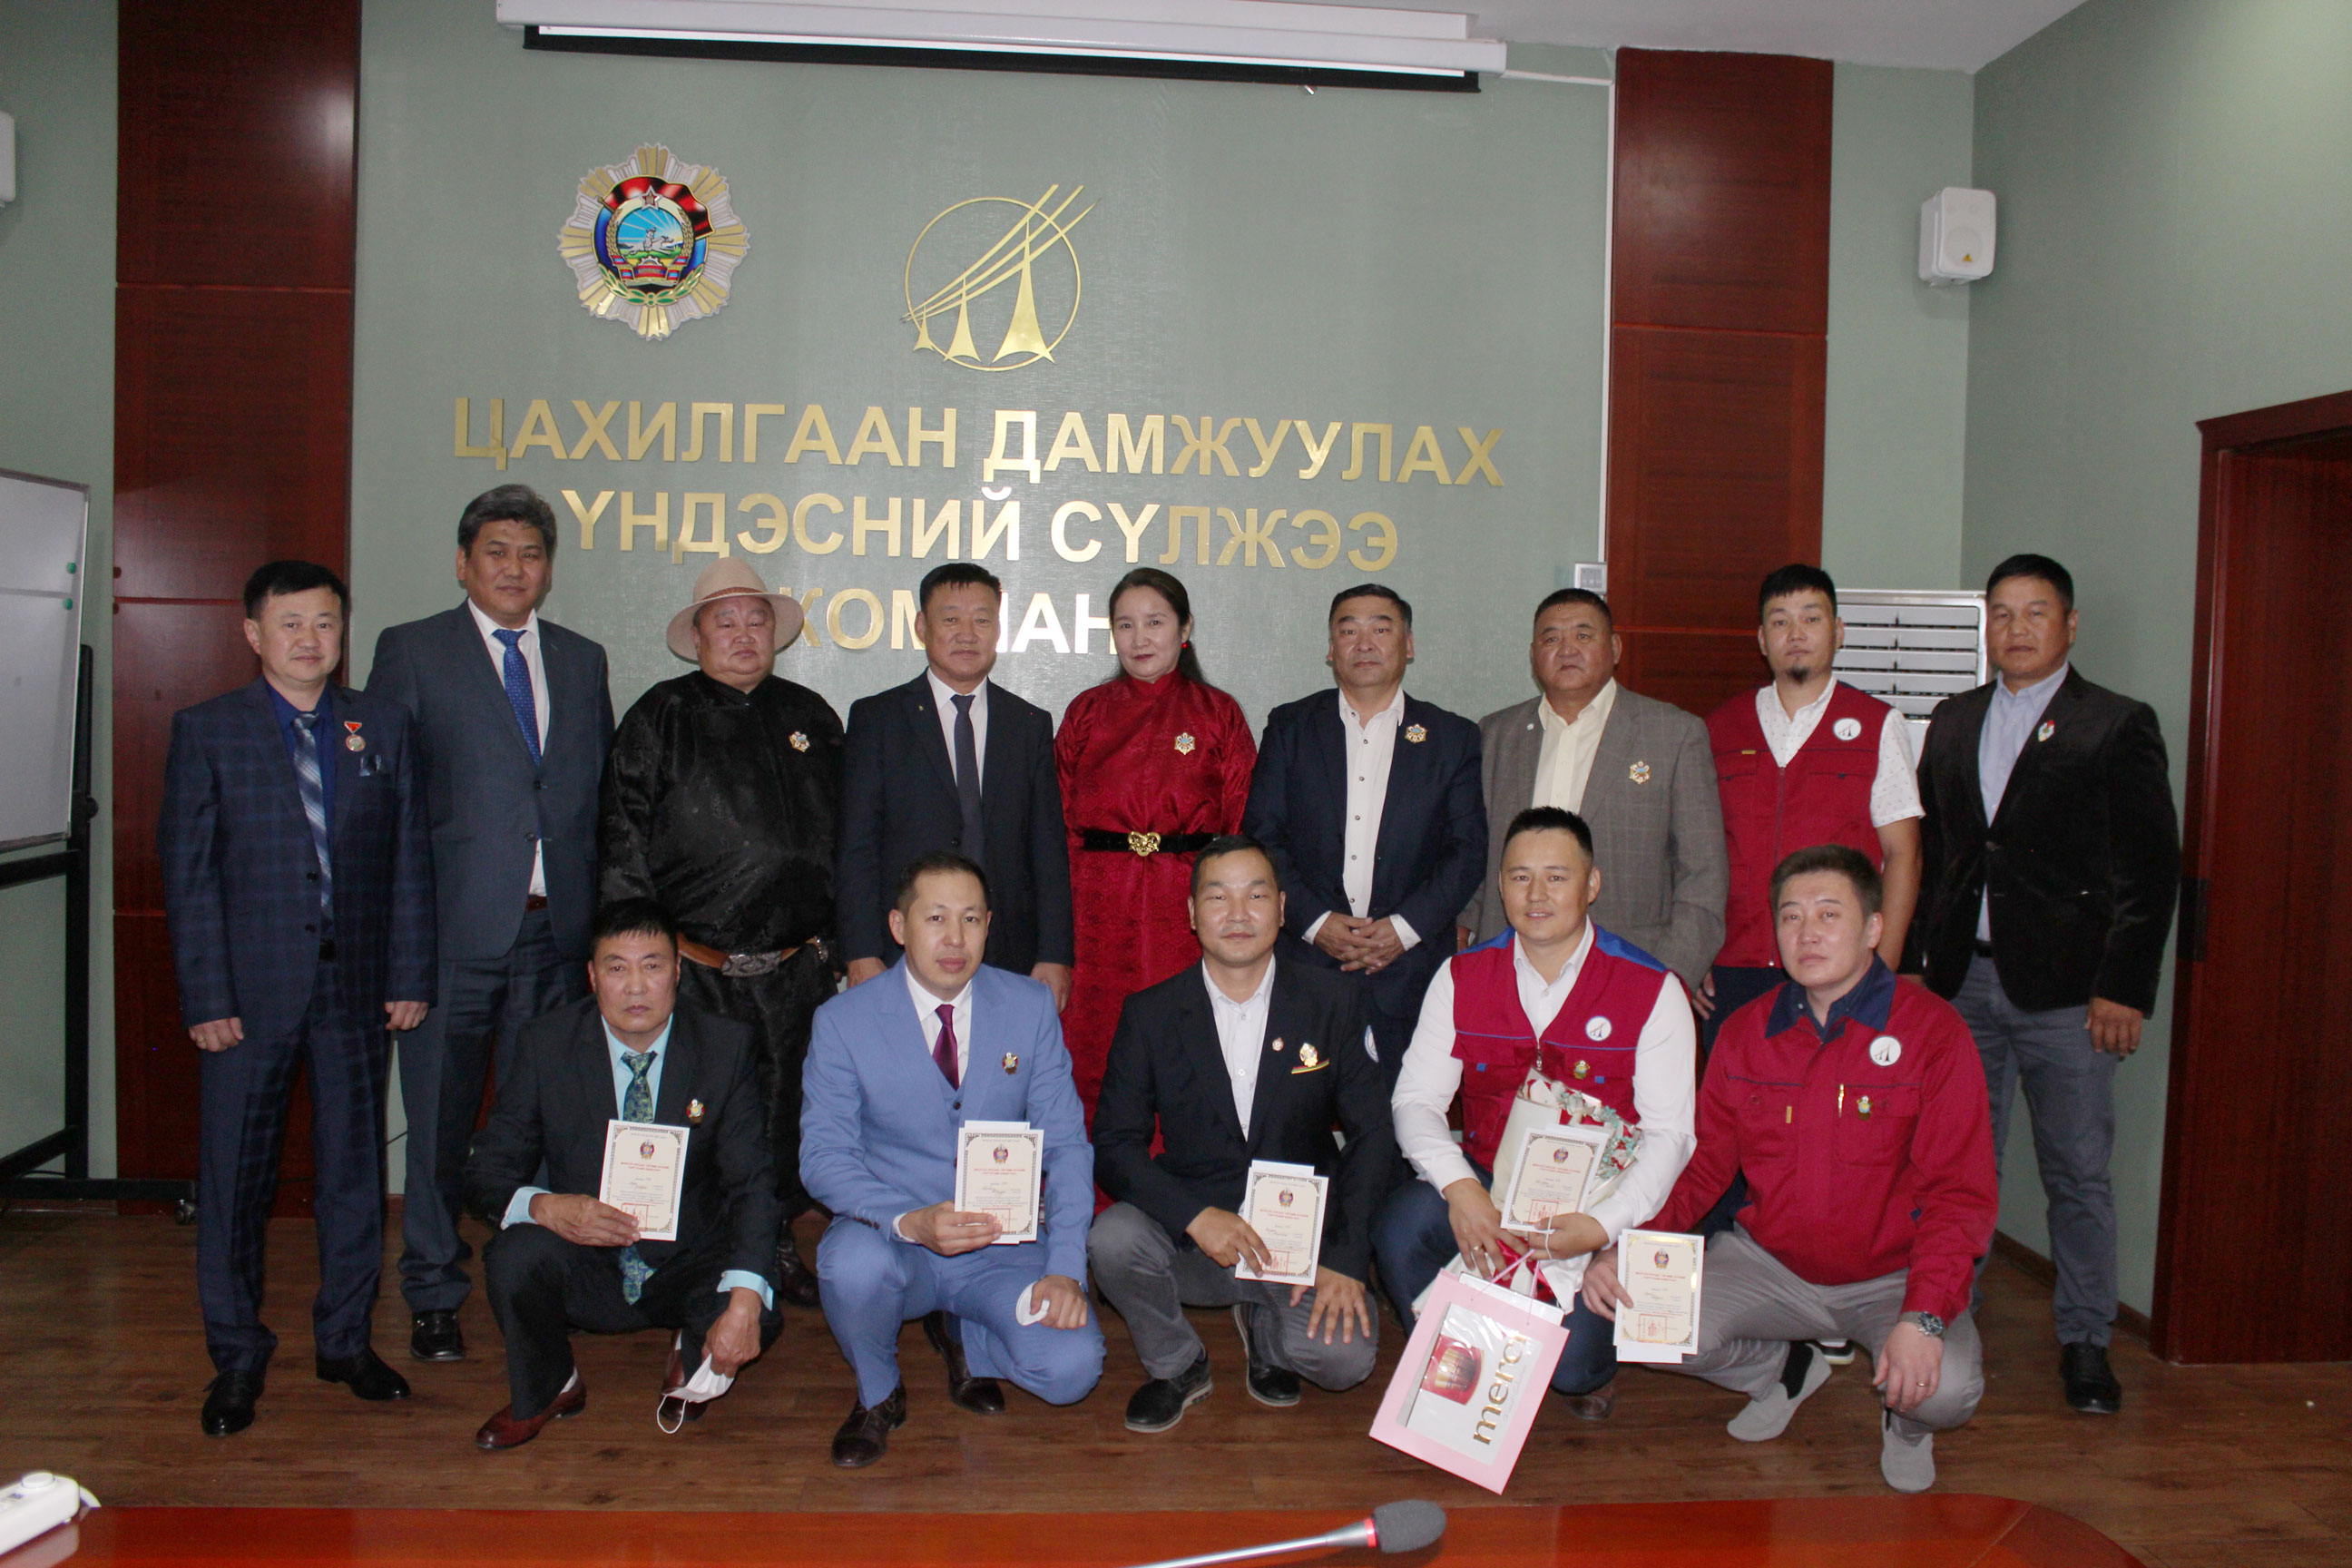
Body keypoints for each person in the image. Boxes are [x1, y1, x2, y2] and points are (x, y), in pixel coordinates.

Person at [1589, 845, 1996, 1493]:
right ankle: (1782, 1371)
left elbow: (1960, 1195)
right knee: (1641, 1320)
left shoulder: (1934, 1032)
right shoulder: (1744, 1032)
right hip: (1770, 1267)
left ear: (1873, 927)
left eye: (1829, 914)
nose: (1807, 933)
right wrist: (1626, 1247)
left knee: (1944, 1391)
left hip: (1892, 1276)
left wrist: (1923, 1316)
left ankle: (1906, 1423)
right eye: (1791, 916)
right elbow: (1702, 1168)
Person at [159, 560, 435, 1437]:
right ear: (253, 633)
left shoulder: (379, 724)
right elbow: (189, 878)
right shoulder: (209, 730)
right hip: (246, 1000)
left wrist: (409, 975)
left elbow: (408, 858)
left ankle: (345, 1343)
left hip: (356, 992)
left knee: (354, 1174)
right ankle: (237, 1359)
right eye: (290, 623)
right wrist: (206, 995)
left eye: (325, 623)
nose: (310, 639)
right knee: (234, 1181)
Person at [1913, 554, 2180, 1416]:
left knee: (2077, 1171)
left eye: (2035, 612)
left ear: (2070, 625)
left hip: (2071, 996)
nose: (2017, 629)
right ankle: (1947, 1318)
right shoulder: (1954, 719)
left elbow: (2150, 871)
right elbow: (1940, 855)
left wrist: (2124, 987)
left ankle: (2087, 1340)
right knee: (1959, 1167)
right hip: (1963, 985)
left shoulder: (2115, 723)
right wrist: (1918, 970)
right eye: (2002, 613)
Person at [369, 484, 614, 1363]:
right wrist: (400, 949)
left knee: (540, 1127)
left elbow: (594, 803)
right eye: (497, 553)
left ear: (549, 569)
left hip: (556, 939)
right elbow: (387, 808)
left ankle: (535, 1280)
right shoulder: (412, 651)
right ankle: (434, 1288)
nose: (515, 569)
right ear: (463, 563)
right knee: (438, 1126)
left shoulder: (582, 660)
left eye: (531, 554)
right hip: (451, 941)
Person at [1375, 807, 1695, 1420]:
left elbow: (1671, 1136)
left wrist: (1602, 1228)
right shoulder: (1462, 976)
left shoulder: (1652, 988)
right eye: (1520, 877)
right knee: (1401, 1226)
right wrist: (1462, 1189)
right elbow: (1415, 1099)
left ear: (1591, 884)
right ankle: (1458, 1352)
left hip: (1598, 1203)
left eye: (1556, 876)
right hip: (1491, 1185)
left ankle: (1581, 1366)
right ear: (1500, 886)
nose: (1537, 894)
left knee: (1572, 1372)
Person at [801, 852, 1104, 1468]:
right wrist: (910, 1220)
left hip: (1003, 1246)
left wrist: (1066, 1270)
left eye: (970, 919)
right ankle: (879, 1392)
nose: (954, 938)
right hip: (897, 1244)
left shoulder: (1029, 1006)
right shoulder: (842, 1021)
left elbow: (1068, 1145)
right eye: (935, 918)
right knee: (849, 1266)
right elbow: (823, 1158)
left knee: (1071, 1370)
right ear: (898, 926)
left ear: (989, 925)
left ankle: (968, 1330)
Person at [599, 558, 844, 1309]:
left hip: (795, 974)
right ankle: (686, 1258)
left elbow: (850, 840)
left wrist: (837, 945)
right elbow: (622, 842)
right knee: (695, 1120)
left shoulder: (811, 717)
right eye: (725, 622)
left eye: (756, 621)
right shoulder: (659, 717)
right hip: (695, 971)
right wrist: (640, 964)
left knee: (785, 1118)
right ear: (698, 636)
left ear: (775, 633)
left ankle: (772, 1246)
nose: (743, 635)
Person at [1090, 834, 1394, 1432]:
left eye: (1255, 896)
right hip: (1196, 1239)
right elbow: (1115, 1146)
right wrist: (1194, 1216)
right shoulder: (1150, 1014)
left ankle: (1268, 1333)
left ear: (1281, 909)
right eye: (1217, 897)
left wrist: (1347, 1259)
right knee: (1112, 1239)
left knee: (1342, 1362)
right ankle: (1179, 1364)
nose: (1237, 914)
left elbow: (1374, 1134)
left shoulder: (1333, 1000)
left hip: (1300, 1241)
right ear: (1191, 913)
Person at [463, 898, 782, 1450]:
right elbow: (484, 1172)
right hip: (590, 1257)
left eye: (652, 966)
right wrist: (546, 1206)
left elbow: (752, 1183)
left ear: (677, 972)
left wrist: (744, 1304)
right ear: (592, 977)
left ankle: (691, 1348)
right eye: (617, 968)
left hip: (690, 1258)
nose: (636, 987)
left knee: (760, 1302)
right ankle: (551, 1385)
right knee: (513, 1257)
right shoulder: (546, 1044)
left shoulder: (724, 1046)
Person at [1243, 583, 1485, 1080]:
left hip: (1410, 969)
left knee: (1402, 1113)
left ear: (1408, 645)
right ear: (1331, 649)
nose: (1365, 643)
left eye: (1381, 628)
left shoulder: (1451, 736)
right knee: (1295, 1111)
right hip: (1306, 963)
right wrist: (1314, 923)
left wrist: (1403, 930)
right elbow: (1263, 837)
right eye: (1349, 630)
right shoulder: (1291, 727)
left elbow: (1467, 850)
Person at [1054, 568, 1256, 1117]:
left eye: (1155, 622)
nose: (1139, 638)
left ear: (1185, 629)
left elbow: (1240, 828)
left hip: (1185, 909)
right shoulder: (1087, 712)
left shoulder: (1218, 714)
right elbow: (1057, 822)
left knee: (1185, 1045)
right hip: (1095, 912)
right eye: (1125, 625)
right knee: (1093, 1046)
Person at [1460, 590, 1725, 995]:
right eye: (1552, 638)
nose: (1567, 649)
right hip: (1510, 971)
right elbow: (1475, 855)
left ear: (1615, 648)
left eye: (1583, 636)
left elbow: (1703, 874)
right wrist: (1465, 934)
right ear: (1533, 655)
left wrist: (1669, 981)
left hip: (1632, 972)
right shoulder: (1496, 734)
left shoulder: (1674, 734)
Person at [1700, 564, 1920, 1049]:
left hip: (1841, 964)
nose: (1796, 634)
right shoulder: (1719, 728)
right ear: (1762, 639)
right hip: (1735, 966)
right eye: (1780, 621)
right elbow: (1693, 852)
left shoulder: (1878, 724)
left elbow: (1903, 853)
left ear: (1838, 631)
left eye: (1811, 619)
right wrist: (1694, 954)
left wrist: (1883, 968)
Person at [837, 563, 1074, 1008]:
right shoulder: (878, 719)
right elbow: (857, 846)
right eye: (951, 619)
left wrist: (1055, 953)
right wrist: (861, 951)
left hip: (1010, 950)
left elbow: (1047, 849)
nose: (968, 634)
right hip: (902, 950)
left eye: (982, 619)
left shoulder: (1028, 724)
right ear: (921, 626)